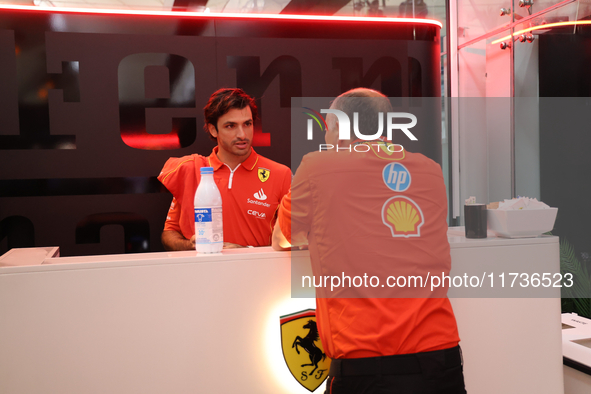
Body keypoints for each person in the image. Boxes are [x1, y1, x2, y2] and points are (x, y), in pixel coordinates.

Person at [272, 88, 465, 393]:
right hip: (440, 360)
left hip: (365, 363)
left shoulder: (317, 167)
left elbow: (282, 238)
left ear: (338, 125)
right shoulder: (431, 170)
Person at [158, 88, 291, 251]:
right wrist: (191, 245)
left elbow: (293, 240)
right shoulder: (192, 170)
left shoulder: (281, 174)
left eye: (247, 124)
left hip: (258, 273)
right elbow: (170, 233)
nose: (242, 134)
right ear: (213, 129)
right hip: (200, 272)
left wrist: (245, 251)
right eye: (231, 126)